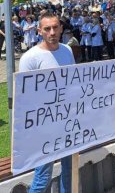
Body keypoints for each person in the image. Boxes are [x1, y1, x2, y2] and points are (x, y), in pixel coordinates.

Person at [20, 12, 75, 193]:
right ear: (39, 31)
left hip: (67, 120)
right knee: (43, 176)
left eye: (55, 27)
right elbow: (25, 98)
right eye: (47, 29)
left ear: (60, 28)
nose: (52, 32)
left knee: (69, 169)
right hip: (44, 126)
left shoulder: (67, 50)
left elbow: (74, 82)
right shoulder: (30, 58)